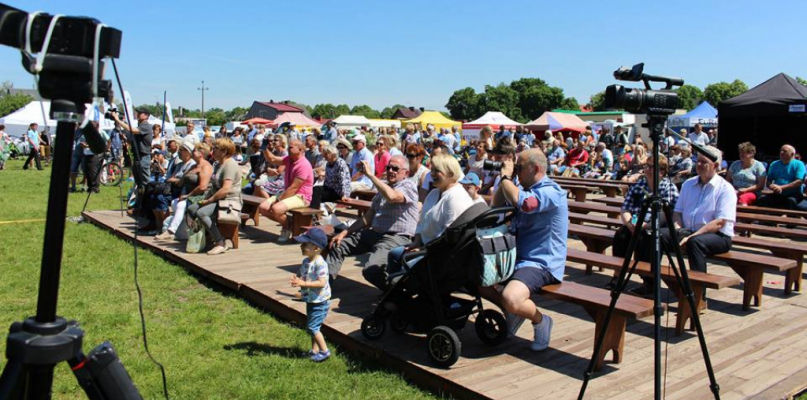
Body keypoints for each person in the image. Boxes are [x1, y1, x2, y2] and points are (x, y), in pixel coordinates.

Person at [478, 148, 568, 351]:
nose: (516, 171)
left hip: (541, 262)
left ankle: (541, 321)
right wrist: (504, 181)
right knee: (478, 279)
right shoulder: (521, 187)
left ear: (535, 168)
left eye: (519, 167)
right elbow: (496, 206)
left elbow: (525, 204)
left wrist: (506, 177)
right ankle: (514, 313)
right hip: (518, 258)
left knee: (511, 297)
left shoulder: (552, 192)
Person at [326, 155, 419, 289]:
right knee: (336, 245)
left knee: (371, 270)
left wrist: (370, 175)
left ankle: (397, 294)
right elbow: (368, 217)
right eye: (389, 167)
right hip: (375, 234)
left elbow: (393, 197)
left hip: (396, 237)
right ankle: (323, 289)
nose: (391, 171)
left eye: (395, 168)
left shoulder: (408, 185)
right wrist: (345, 232)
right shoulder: (383, 188)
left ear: (406, 173)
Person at [385, 154, 474, 283]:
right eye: (432, 170)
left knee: (400, 268)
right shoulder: (434, 193)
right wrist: (417, 241)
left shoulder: (456, 197)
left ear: (450, 173)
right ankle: (394, 294)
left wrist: (424, 249)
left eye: (437, 170)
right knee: (394, 254)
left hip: (441, 255)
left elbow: (450, 237)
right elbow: (423, 222)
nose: (432, 174)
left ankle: (399, 295)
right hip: (427, 246)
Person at [611, 155, 679, 294]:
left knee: (646, 238)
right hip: (635, 224)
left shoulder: (669, 187)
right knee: (621, 235)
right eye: (646, 166)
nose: (646, 169)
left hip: (654, 226)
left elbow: (666, 214)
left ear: (661, 171)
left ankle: (649, 281)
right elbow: (625, 207)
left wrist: (645, 225)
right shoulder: (639, 185)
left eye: (650, 167)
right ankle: (618, 276)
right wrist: (629, 223)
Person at [667, 146, 735, 279]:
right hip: (688, 231)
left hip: (718, 236)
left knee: (695, 243)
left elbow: (719, 223)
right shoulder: (688, 184)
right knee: (656, 235)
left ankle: (698, 292)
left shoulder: (725, 189)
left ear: (715, 165)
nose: (698, 164)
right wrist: (677, 230)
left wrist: (691, 237)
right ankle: (650, 283)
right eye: (697, 160)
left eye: (704, 162)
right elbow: (678, 213)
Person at [186, 138, 243, 255]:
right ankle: (203, 236)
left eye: (216, 148)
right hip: (217, 198)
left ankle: (220, 242)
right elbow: (214, 186)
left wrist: (209, 200)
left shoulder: (230, 165)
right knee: (191, 209)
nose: (213, 150)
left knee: (201, 213)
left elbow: (225, 189)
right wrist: (205, 198)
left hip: (229, 201)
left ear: (224, 151)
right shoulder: (217, 164)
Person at [259, 139, 314, 242]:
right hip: (289, 193)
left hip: (301, 197)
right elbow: (272, 159)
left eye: (291, 147)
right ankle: (288, 222)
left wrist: (278, 201)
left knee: (276, 209)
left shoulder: (304, 165)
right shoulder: (289, 159)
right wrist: (264, 148)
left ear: (300, 149)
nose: (288, 149)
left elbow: (294, 188)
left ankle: (286, 228)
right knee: (262, 208)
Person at [289, 228, 332, 362]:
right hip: (311, 300)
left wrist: (303, 283)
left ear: (316, 248)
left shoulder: (320, 264)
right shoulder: (306, 262)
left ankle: (325, 351)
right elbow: (304, 276)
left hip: (320, 301)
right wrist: (298, 279)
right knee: (313, 326)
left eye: (305, 244)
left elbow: (321, 283)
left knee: (312, 328)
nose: (301, 246)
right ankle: (314, 350)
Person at [156, 141, 210, 241]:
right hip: (189, 195)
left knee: (181, 205)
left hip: (202, 196)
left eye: (195, 150)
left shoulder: (205, 167)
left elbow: (202, 187)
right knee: (174, 202)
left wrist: (187, 195)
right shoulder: (193, 166)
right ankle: (180, 231)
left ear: (201, 154)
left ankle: (170, 231)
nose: (192, 152)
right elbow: (181, 182)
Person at [112, 109, 153, 190]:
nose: (138, 114)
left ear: (146, 116)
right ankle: (140, 200)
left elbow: (132, 129)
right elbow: (132, 143)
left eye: (141, 113)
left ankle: (148, 199)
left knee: (145, 182)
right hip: (137, 157)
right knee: (138, 182)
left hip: (143, 157)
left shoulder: (146, 125)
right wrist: (125, 139)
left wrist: (117, 119)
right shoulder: (140, 126)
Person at [755, 145, 805, 210]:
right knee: (762, 200)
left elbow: (799, 181)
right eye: (781, 150)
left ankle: (786, 218)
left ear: (792, 154)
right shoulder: (774, 164)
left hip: (794, 194)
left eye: (785, 151)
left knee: (790, 201)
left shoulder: (799, 164)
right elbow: (769, 180)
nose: (781, 152)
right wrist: (772, 186)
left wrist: (781, 187)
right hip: (778, 193)